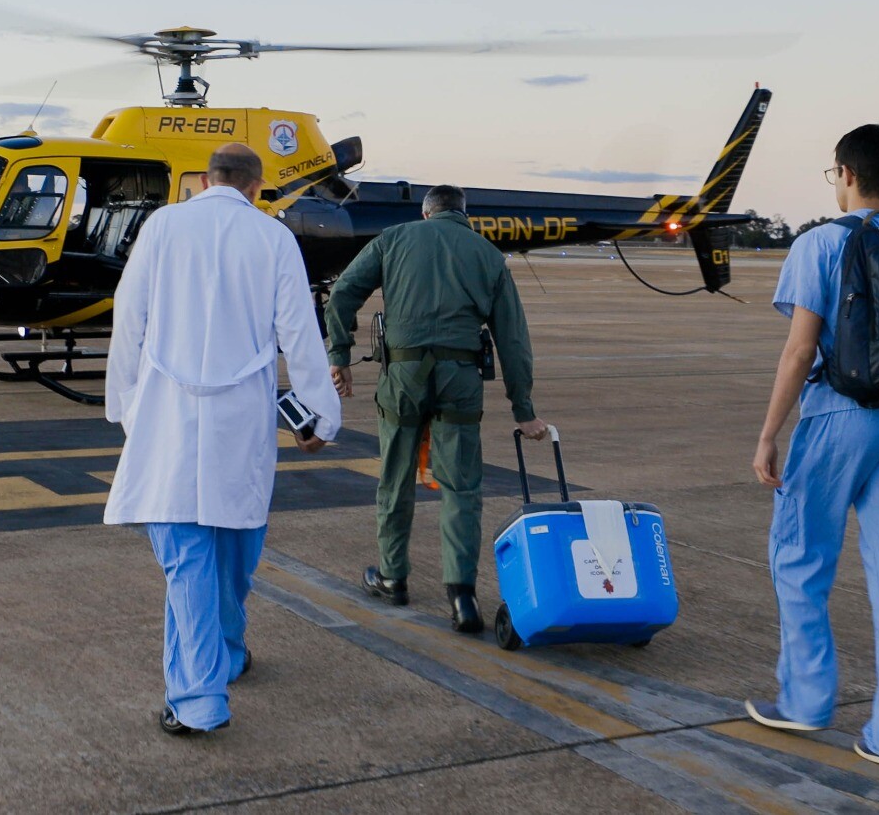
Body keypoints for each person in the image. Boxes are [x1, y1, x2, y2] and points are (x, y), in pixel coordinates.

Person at [102, 143, 341, 737]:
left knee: (189, 559)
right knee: (235, 550)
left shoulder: (162, 226)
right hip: (241, 420)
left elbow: (128, 318)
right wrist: (318, 416)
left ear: (205, 180)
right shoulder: (273, 238)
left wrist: (130, 408)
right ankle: (210, 678)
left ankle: (209, 684)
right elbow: (300, 333)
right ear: (256, 188)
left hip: (169, 418)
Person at [746, 124, 879, 775]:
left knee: (800, 559)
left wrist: (770, 431)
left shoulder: (820, 244)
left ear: (847, 174)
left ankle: (805, 699)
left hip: (838, 419)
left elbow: (801, 349)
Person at [325, 184, 548, 633]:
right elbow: (513, 339)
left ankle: (392, 578)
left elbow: (343, 293)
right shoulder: (488, 255)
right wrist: (523, 409)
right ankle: (463, 599)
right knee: (462, 488)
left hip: (402, 378)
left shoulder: (392, 239)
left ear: (427, 214)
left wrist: (340, 357)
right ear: (464, 215)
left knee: (394, 480)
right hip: (460, 379)